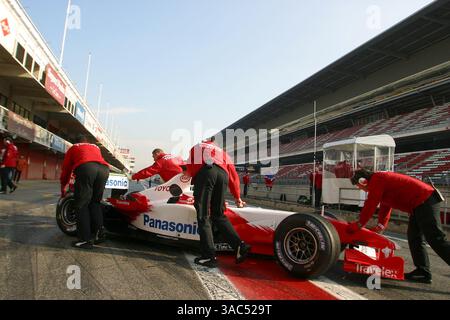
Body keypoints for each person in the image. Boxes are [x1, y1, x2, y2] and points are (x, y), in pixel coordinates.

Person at [348, 169, 450, 284]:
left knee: (436, 239)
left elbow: (371, 203)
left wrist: (359, 224)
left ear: (363, 181)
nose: (360, 189)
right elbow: (385, 205)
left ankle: (423, 271)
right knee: (414, 238)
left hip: (424, 200)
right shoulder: (379, 180)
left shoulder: (377, 179)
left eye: (358, 186)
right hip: (420, 204)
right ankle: (422, 272)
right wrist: (381, 225)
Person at [186, 137, 251, 268]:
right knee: (218, 214)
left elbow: (191, 167)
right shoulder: (223, 152)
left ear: (205, 140)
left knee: (203, 215)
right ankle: (239, 245)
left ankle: (208, 256)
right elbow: (233, 175)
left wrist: (194, 178)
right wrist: (237, 197)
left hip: (206, 172)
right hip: (223, 175)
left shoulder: (198, 146)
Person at [60, 135, 110, 249]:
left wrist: (63, 187)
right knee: (95, 202)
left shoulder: (73, 148)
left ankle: (85, 240)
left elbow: (66, 169)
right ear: (86, 141)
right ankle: (99, 234)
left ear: (75, 142)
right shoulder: (95, 147)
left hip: (87, 168)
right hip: (104, 169)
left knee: (81, 205)